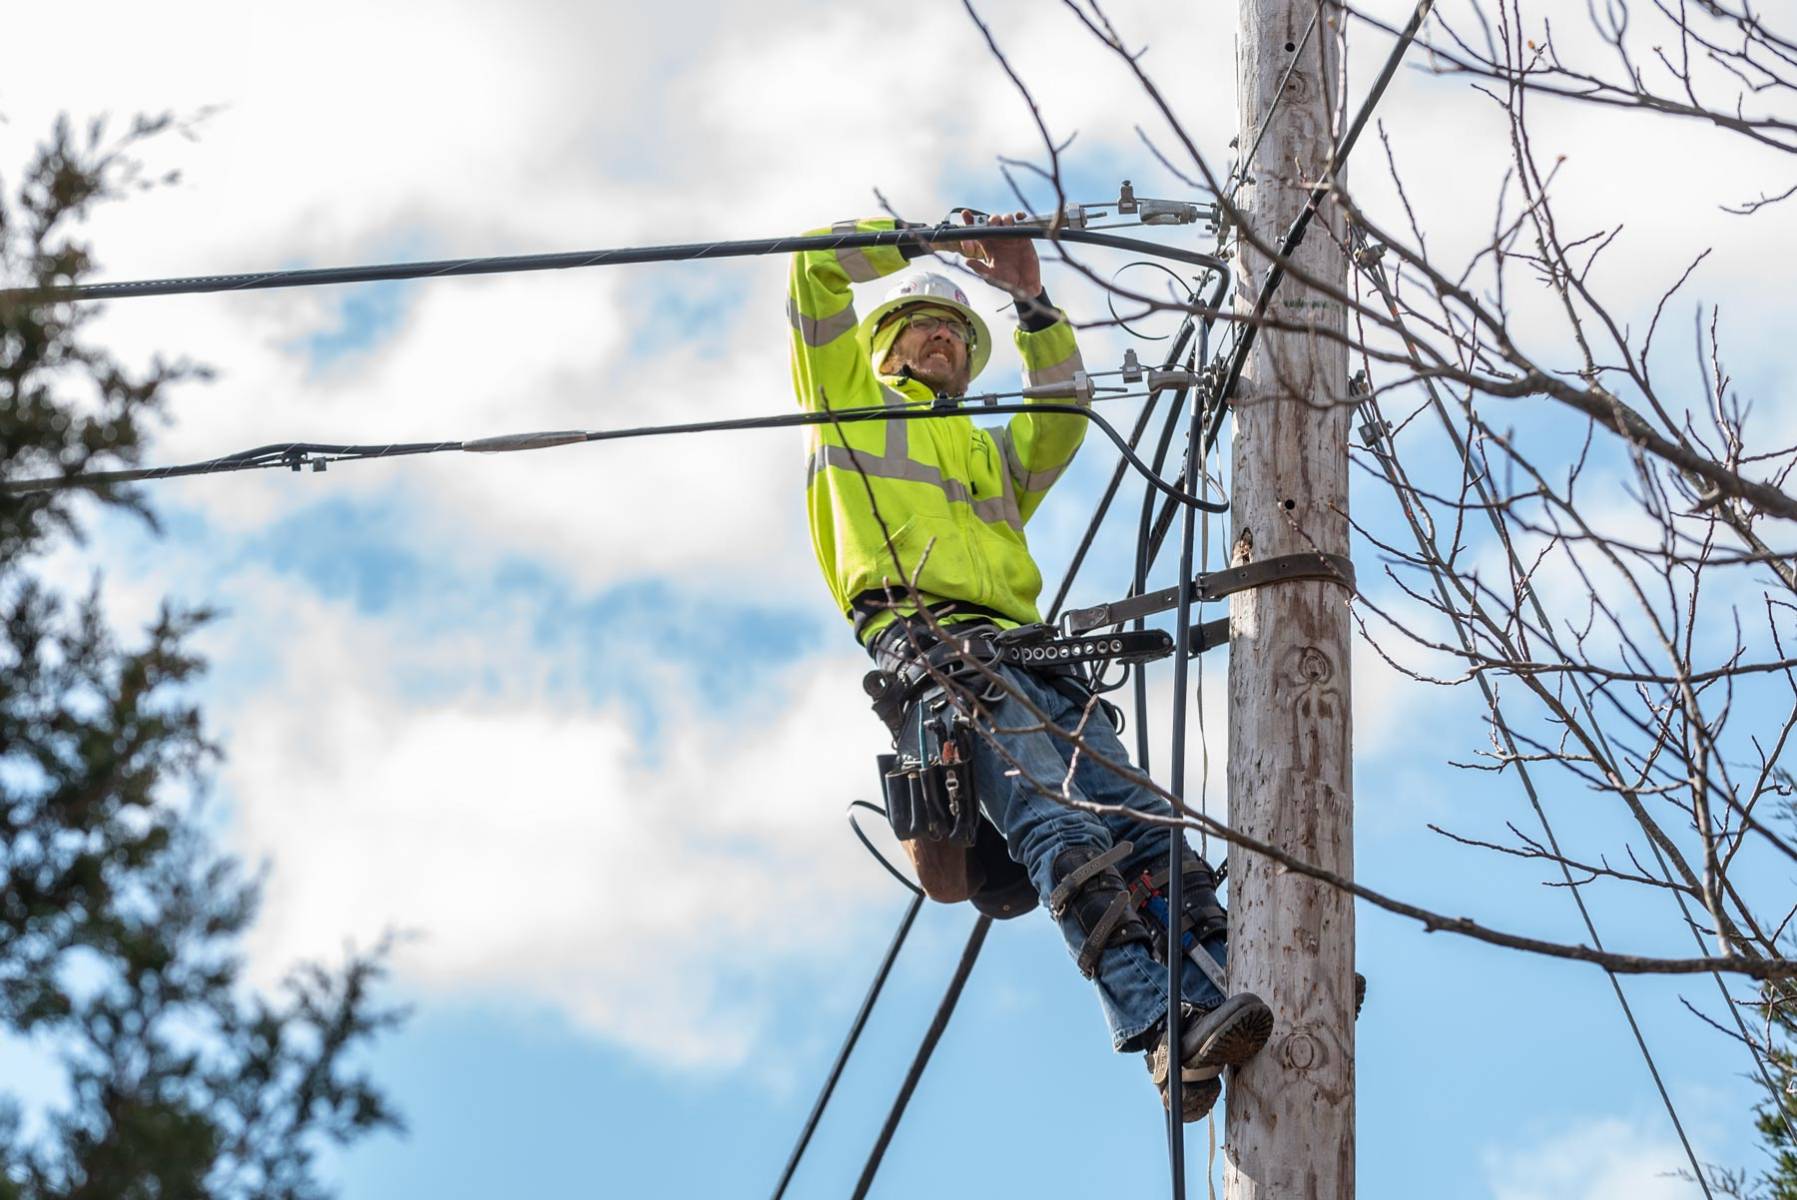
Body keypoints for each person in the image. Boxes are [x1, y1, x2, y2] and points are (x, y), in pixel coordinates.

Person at [785, 211, 1273, 1119]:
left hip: (1032, 655)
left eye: (961, 336)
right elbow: (814, 269)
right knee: (1059, 825)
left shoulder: (985, 450)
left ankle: (1235, 979)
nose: (946, 339)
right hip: (933, 647)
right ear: (881, 345)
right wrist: (926, 241)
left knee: (1145, 821)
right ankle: (1162, 1027)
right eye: (927, 325)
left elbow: (1064, 411)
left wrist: (1029, 300)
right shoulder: (847, 408)